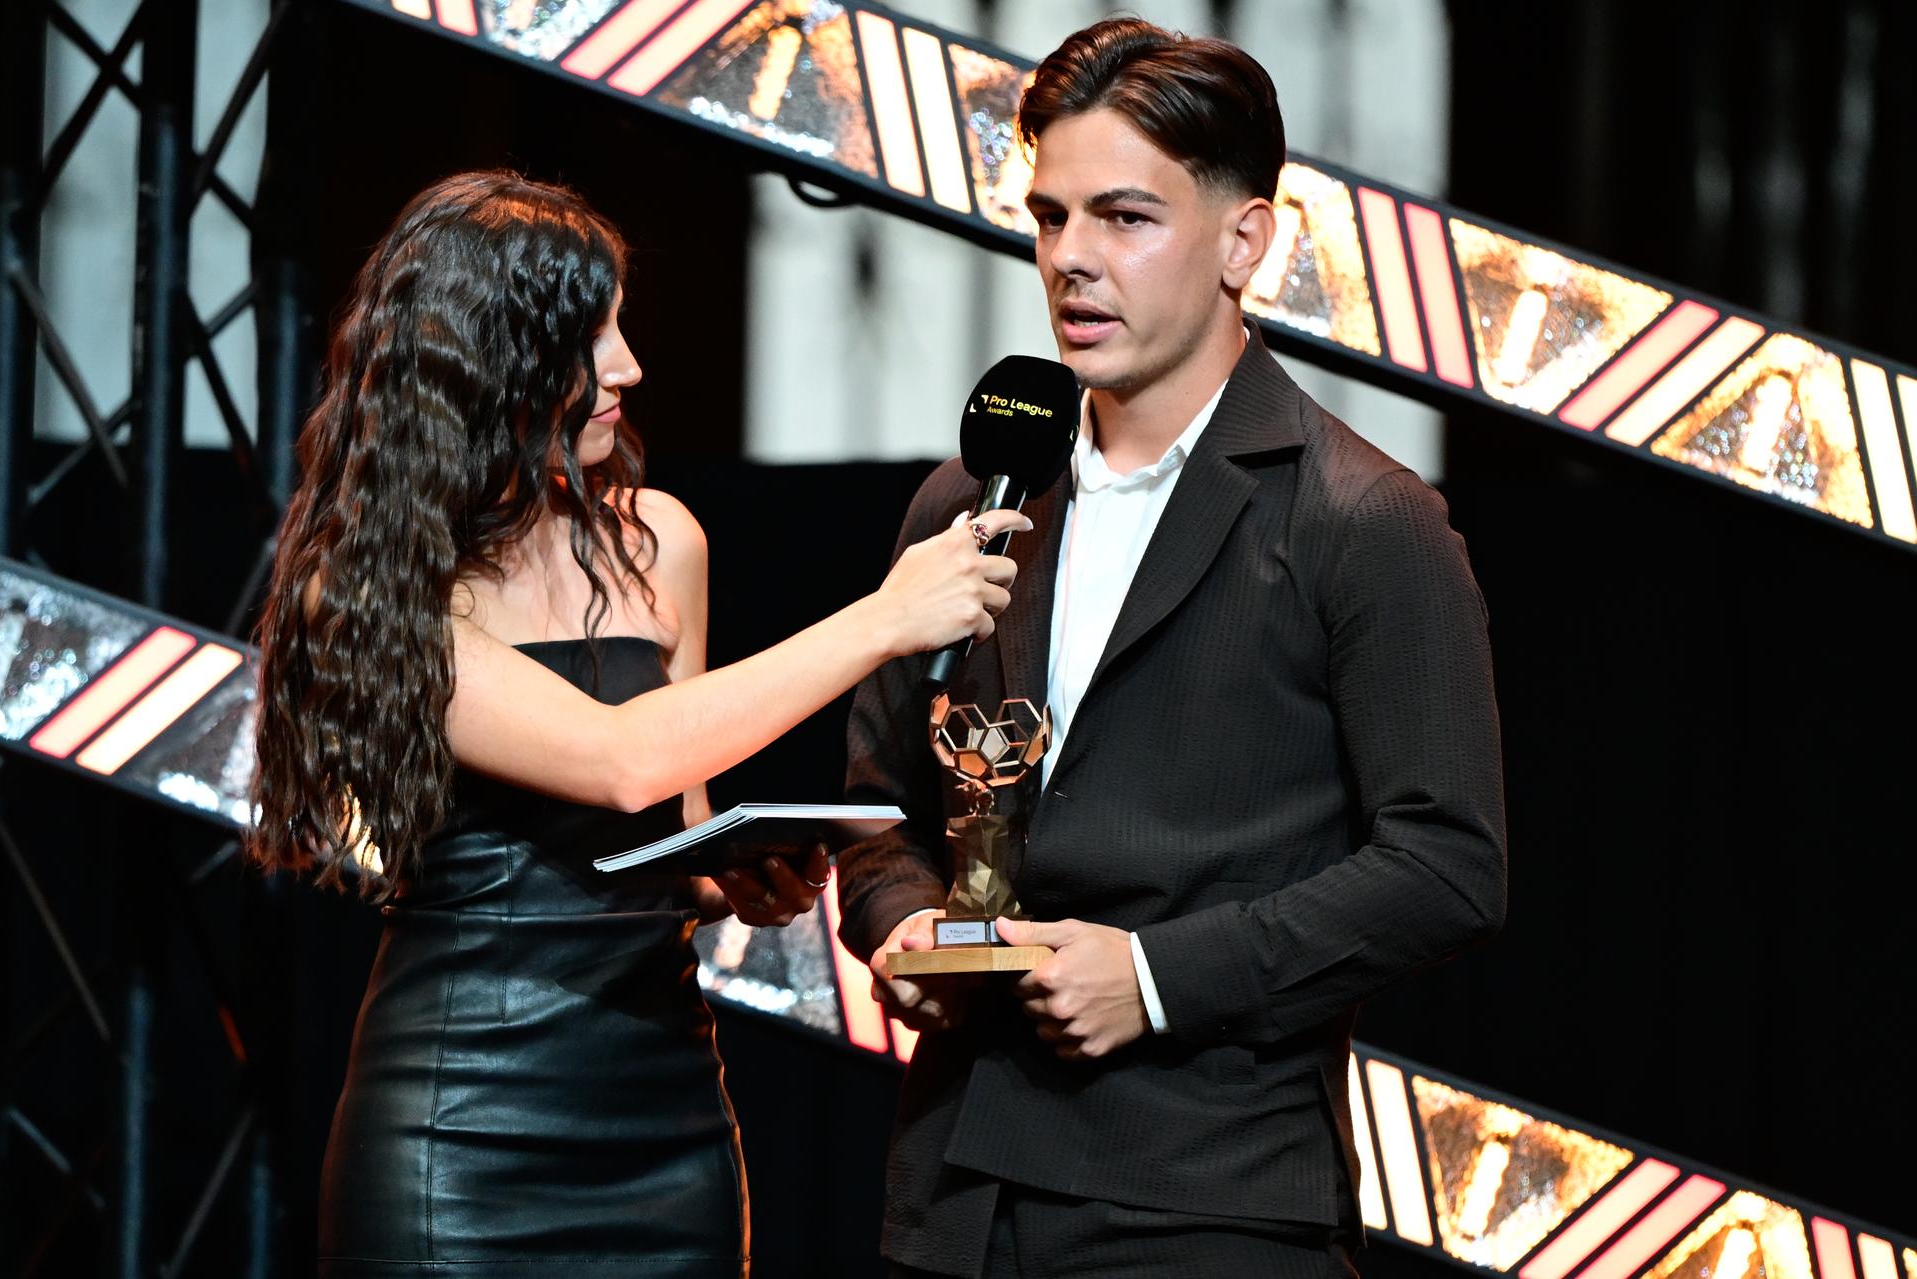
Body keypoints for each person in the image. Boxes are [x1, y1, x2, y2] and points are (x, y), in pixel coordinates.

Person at [246, 170, 1028, 1278]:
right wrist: (884, 618)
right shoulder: (374, 591)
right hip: (463, 1126)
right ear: (485, 361)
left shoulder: (658, 540)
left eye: (622, 329)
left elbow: (669, 815)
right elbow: (621, 762)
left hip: (667, 1119)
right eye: (587, 340)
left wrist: (725, 875)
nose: (628, 367)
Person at [836, 19, 1508, 1277]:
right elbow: (875, 803)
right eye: (1049, 217)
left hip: (1208, 1202)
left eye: (1125, 218)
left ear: (1245, 238)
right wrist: (907, 922)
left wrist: (1155, 977)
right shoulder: (973, 500)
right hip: (955, 1189)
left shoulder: (1361, 519)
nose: (1071, 261)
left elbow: (1450, 865)